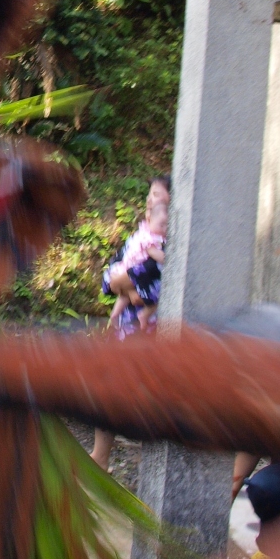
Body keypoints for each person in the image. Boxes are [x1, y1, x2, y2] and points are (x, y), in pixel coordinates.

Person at [91, 175, 171, 469]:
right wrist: (122, 284)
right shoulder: (142, 234)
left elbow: (147, 283)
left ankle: (111, 458)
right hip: (125, 324)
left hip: (145, 328)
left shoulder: (166, 240)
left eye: (158, 196)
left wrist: (125, 285)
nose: (151, 200)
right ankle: (100, 456)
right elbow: (112, 273)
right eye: (150, 194)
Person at [106, 198, 168, 332]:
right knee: (154, 301)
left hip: (129, 271)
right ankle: (144, 315)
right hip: (134, 272)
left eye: (166, 226)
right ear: (149, 220)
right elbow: (156, 255)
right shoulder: (150, 239)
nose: (164, 229)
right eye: (161, 225)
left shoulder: (145, 233)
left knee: (124, 296)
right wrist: (168, 259)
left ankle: (115, 314)